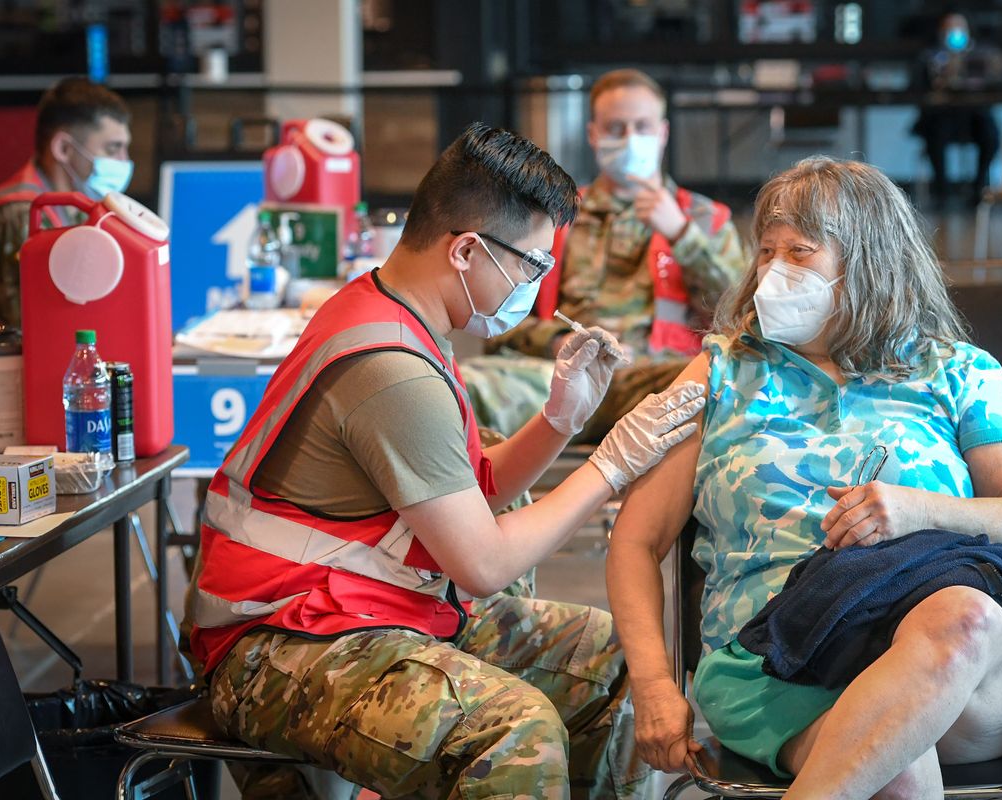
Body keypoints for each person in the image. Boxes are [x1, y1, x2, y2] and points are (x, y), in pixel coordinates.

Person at [183, 123, 707, 800]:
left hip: (364, 613)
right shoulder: (390, 368)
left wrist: (560, 422)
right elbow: (482, 564)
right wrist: (609, 463)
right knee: (513, 732)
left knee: (618, 659)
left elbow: (470, 491)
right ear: (466, 251)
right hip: (276, 649)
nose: (536, 286)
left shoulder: (397, 311)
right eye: (531, 265)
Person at [606, 157, 1002, 799]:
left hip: (957, 663)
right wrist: (653, 686)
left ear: (868, 262)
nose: (773, 273)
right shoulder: (720, 373)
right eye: (766, 252)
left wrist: (919, 511)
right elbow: (635, 541)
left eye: (800, 253)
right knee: (887, 765)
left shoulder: (959, 372)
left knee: (966, 619)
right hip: (776, 664)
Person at [461, 68, 746, 442]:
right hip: (561, 376)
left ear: (662, 134)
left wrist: (681, 234)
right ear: (593, 134)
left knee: (727, 385)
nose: (630, 140)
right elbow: (493, 320)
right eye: (615, 128)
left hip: (655, 378)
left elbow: (742, 316)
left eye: (642, 127)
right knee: (462, 384)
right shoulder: (553, 219)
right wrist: (558, 341)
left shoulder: (704, 220)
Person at [0, 77, 132, 328]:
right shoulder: (20, 213)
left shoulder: (80, 207)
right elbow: (29, 324)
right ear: (64, 149)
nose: (124, 161)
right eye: (113, 149)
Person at [910, 13, 1002, 207]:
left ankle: (979, 187)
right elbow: (918, 87)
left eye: (959, 27)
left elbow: (996, 80)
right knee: (936, 134)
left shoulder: (984, 54)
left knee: (990, 135)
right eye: (949, 28)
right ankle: (942, 191)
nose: (955, 32)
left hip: (974, 115)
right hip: (941, 116)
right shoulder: (930, 56)